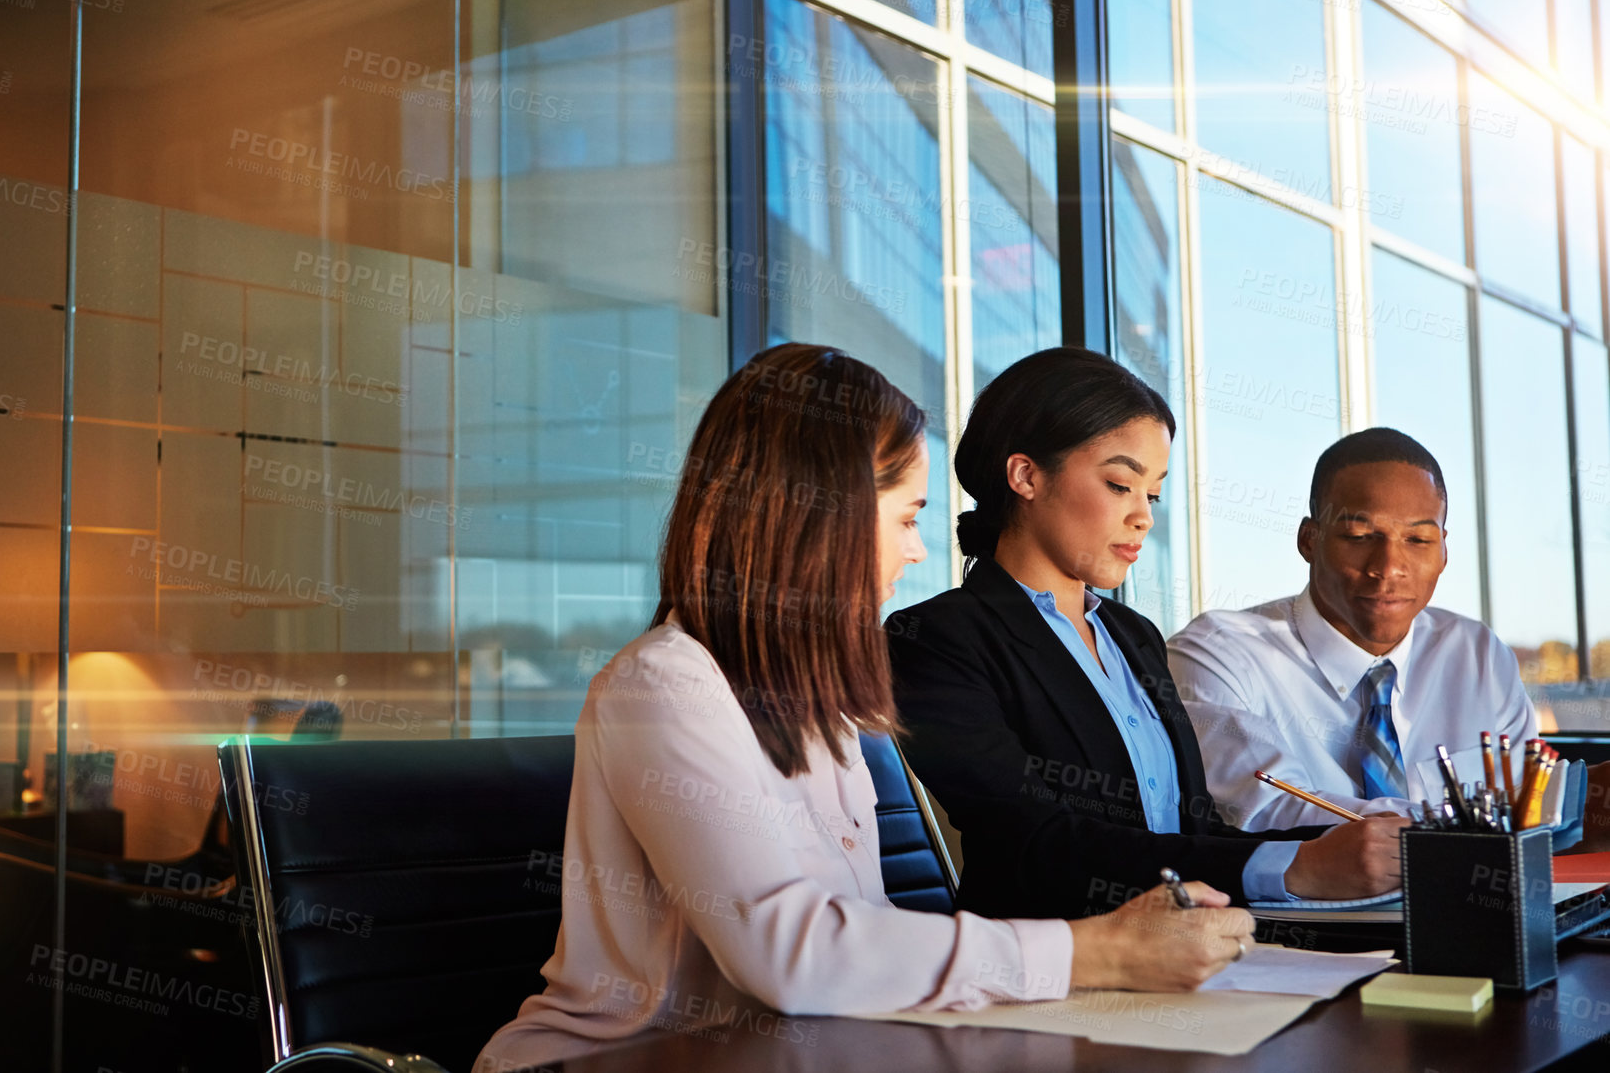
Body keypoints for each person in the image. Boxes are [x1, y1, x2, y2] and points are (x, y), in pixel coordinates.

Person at [475, 345, 1256, 1072]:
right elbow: (789, 953)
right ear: (821, 513)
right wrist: (1099, 952)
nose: (919, 551)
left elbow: (852, 942)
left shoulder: (821, 702)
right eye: (908, 518)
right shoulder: (665, 685)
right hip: (619, 1059)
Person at [887, 348, 1405, 924]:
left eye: (1152, 494)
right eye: (1119, 485)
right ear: (1026, 475)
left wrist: (1342, 850)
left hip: (1187, 958)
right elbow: (1033, 844)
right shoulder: (934, 639)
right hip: (1051, 977)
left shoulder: (1133, 635)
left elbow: (1190, 831)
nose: (1144, 518)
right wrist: (1293, 868)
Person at [1168, 428, 1539, 832]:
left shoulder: (1477, 654)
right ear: (1309, 540)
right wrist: (1458, 830)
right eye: (1360, 536)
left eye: (1418, 539)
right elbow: (1262, 810)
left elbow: (1525, 814)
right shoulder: (1219, 655)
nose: (1388, 566)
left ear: (1444, 549)